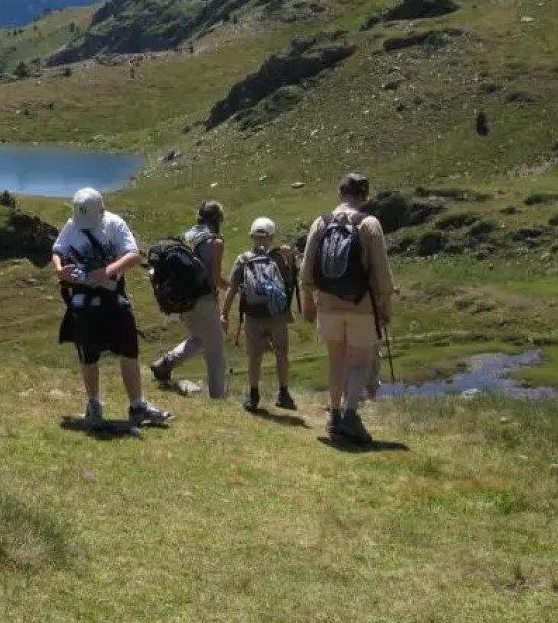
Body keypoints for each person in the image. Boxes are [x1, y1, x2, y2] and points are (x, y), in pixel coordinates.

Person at [53, 188, 172, 428]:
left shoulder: (115, 225)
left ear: (101, 211)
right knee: (89, 356)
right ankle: (93, 404)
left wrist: (106, 272)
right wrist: (60, 269)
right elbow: (58, 250)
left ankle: (137, 405)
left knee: (129, 351)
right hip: (84, 301)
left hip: (112, 298)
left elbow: (133, 254)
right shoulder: (72, 225)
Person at [301, 173, 393, 444]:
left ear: (340, 193)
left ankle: (335, 415)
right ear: (364, 196)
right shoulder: (369, 223)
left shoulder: (321, 222)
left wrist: (308, 296)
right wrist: (385, 302)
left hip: (327, 303)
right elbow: (382, 273)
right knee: (359, 361)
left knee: (336, 360)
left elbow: (307, 268)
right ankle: (351, 415)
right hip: (361, 304)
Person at [148, 201, 229, 399]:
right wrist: (233, 287)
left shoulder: (184, 237)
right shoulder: (215, 242)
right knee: (215, 349)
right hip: (204, 300)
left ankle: (165, 364)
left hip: (183, 301)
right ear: (218, 219)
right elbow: (215, 279)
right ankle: (218, 396)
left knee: (200, 338)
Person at [222, 217, 299, 412]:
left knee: (254, 356)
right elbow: (289, 284)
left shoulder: (243, 258)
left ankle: (253, 395)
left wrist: (224, 314)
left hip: (252, 315)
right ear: (272, 237)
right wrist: (290, 260)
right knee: (281, 353)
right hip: (278, 315)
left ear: (251, 236)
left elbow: (232, 288)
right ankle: (283, 393)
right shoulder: (279, 257)